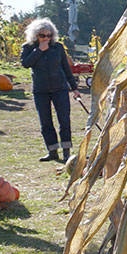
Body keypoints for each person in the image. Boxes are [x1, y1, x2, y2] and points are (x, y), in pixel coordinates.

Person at [20, 18, 80, 162]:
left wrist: (74, 88)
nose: (46, 38)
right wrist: (39, 50)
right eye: (42, 35)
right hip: (41, 90)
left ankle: (66, 152)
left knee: (64, 121)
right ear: (35, 35)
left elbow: (66, 68)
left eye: (49, 35)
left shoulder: (58, 47)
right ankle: (52, 151)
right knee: (46, 123)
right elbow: (26, 64)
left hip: (60, 88)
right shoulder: (28, 47)